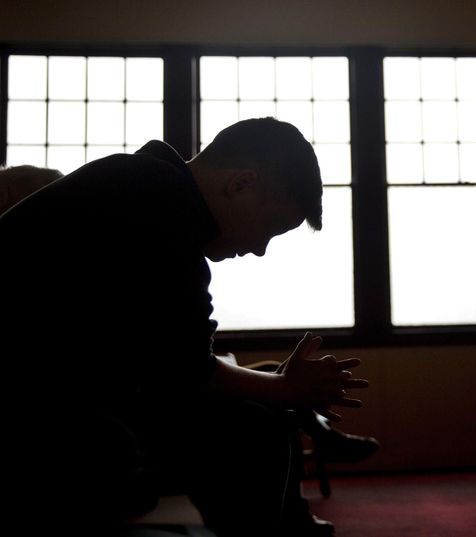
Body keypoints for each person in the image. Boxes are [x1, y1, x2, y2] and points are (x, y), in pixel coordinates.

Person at [0, 118, 369, 536]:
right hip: (25, 404)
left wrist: (276, 387)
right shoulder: (155, 202)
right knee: (253, 430)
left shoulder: (146, 185)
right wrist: (284, 389)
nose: (259, 250)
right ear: (243, 184)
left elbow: (174, 358)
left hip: (56, 388)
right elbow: (187, 371)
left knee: (259, 405)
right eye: (269, 229)